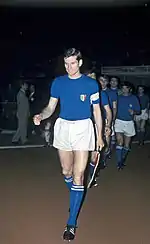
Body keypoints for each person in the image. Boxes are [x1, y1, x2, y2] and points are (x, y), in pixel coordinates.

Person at [33, 48, 104, 241]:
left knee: (78, 175)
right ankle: (75, 194)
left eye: (73, 63)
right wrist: (41, 115)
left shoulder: (91, 84)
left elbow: (97, 111)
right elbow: (50, 107)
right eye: (66, 63)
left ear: (80, 63)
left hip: (83, 127)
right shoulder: (58, 83)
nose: (69, 67)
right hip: (63, 127)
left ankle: (71, 222)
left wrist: (99, 136)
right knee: (67, 172)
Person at [114, 81, 140, 170]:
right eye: (123, 88)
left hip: (129, 122)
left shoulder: (134, 98)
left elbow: (138, 111)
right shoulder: (118, 98)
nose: (124, 90)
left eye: (126, 88)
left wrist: (134, 112)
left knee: (126, 145)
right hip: (119, 121)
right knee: (119, 142)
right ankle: (119, 162)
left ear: (130, 89)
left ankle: (122, 159)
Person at [89, 89, 112, 187]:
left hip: (97, 125)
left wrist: (108, 125)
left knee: (95, 153)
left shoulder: (102, 94)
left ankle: (91, 177)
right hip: (82, 125)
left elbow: (108, 111)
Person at [98, 75, 117, 162]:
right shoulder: (94, 90)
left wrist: (112, 120)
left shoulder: (112, 93)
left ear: (107, 82)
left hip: (106, 118)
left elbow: (114, 107)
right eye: (101, 80)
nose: (103, 82)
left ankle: (105, 155)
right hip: (95, 119)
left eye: (105, 81)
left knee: (107, 137)